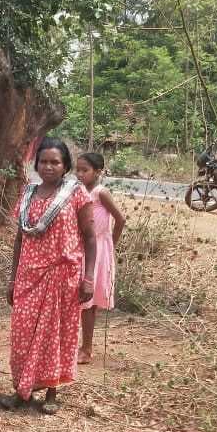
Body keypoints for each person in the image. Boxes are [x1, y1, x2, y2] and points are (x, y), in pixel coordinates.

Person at [3, 137, 96, 415]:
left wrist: (88, 278)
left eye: (55, 162)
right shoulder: (28, 193)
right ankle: (23, 389)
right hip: (29, 276)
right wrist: (13, 277)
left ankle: (52, 392)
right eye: (43, 161)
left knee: (55, 335)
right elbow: (20, 239)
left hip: (62, 276)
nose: (49, 167)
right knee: (23, 333)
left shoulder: (76, 193)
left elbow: (90, 238)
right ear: (36, 164)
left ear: (65, 165)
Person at [76, 150, 126, 363]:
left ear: (98, 171)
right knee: (79, 300)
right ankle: (78, 345)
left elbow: (120, 219)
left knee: (89, 302)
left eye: (84, 170)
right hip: (81, 247)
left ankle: (86, 349)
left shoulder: (100, 192)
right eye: (77, 170)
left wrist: (109, 244)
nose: (79, 174)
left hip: (98, 251)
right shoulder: (77, 190)